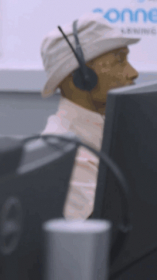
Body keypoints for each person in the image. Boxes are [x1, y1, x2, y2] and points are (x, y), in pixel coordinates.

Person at [40, 12, 140, 220]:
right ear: (82, 78)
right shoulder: (63, 153)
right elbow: (92, 238)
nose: (133, 72)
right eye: (119, 61)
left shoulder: (107, 129)